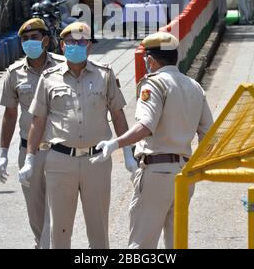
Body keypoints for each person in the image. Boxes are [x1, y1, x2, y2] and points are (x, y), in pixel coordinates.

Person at [18, 22, 137, 249]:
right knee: (60, 231)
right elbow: (38, 121)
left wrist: (128, 153)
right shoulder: (49, 78)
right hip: (60, 161)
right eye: (71, 42)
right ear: (62, 46)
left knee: (98, 229)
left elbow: (118, 115)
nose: (76, 46)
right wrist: (30, 159)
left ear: (89, 46)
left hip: (97, 160)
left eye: (81, 42)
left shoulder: (105, 74)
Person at [91, 31, 213, 249]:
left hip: (157, 172)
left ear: (151, 59)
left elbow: (146, 126)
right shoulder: (194, 86)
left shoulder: (154, 84)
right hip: (185, 173)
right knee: (176, 243)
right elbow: (208, 134)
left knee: (142, 245)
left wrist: (116, 143)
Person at [0, 18, 64, 249]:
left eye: (34, 38)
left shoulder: (63, 67)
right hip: (29, 150)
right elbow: (9, 115)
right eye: (24, 39)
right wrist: (3, 153)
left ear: (45, 40)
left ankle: (50, 245)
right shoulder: (14, 73)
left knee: (57, 208)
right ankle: (42, 242)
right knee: (35, 208)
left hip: (60, 149)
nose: (29, 43)